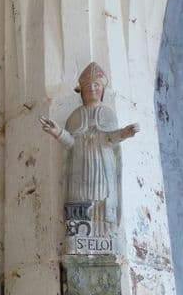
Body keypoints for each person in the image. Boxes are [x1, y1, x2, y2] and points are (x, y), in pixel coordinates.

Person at [40, 62, 139, 236]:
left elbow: (110, 138)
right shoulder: (76, 116)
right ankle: (79, 236)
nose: (92, 89)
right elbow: (70, 142)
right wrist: (58, 132)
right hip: (80, 170)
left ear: (102, 89)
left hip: (102, 168)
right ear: (82, 91)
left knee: (102, 200)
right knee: (80, 201)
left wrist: (124, 133)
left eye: (96, 85)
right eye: (88, 86)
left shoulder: (108, 114)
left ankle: (104, 237)